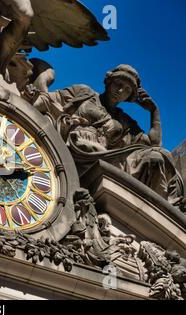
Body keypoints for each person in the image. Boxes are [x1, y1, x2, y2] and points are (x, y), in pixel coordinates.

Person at [34, 65, 184, 208]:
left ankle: (160, 211)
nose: (120, 91)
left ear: (129, 97)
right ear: (109, 81)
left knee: (159, 157)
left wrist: (154, 112)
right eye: (118, 84)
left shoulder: (124, 120)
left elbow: (154, 144)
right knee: (90, 146)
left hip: (107, 159)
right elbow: (49, 100)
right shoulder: (84, 93)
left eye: (127, 90)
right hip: (78, 149)